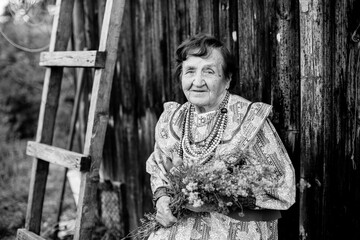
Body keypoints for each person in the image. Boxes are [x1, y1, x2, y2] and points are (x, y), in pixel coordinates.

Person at [146, 33, 296, 240]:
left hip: (235, 229)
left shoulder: (249, 121)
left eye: (209, 71)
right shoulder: (173, 119)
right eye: (190, 71)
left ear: (227, 79)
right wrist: (162, 200)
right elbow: (159, 167)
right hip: (179, 226)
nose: (197, 81)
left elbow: (281, 185)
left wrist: (216, 200)